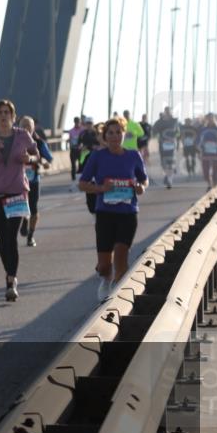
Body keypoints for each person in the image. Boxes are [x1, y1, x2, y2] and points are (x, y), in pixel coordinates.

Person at [0, 100, 39, 301]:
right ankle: (10, 275)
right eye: (0, 113)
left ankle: (11, 280)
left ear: (13, 116)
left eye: (7, 112)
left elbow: (37, 155)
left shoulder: (22, 135)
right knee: (3, 240)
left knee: (11, 237)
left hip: (17, 194)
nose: (3, 116)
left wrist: (29, 159)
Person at [78, 117, 148, 301]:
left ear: (124, 134)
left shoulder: (134, 156)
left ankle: (117, 297)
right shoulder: (97, 157)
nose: (115, 136)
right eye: (111, 133)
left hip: (127, 213)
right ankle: (106, 280)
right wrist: (101, 189)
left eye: (119, 132)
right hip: (105, 214)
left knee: (121, 255)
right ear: (104, 136)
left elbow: (143, 180)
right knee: (103, 265)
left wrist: (141, 187)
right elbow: (83, 184)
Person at [18, 116, 53, 247]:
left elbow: (48, 159)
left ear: (33, 128)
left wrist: (43, 162)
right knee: (19, 206)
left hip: (33, 180)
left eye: (29, 126)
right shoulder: (14, 141)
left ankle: (30, 235)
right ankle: (24, 220)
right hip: (17, 182)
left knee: (33, 209)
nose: (26, 129)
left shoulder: (39, 143)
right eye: (23, 126)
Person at [78, 117, 103, 212]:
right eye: (87, 123)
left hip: (97, 160)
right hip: (85, 159)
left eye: (90, 123)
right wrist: (81, 147)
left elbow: (100, 144)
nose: (89, 125)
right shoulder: (82, 133)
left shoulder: (97, 133)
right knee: (88, 188)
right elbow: (79, 144)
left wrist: (95, 147)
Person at [153, 107, 180, 189]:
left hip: (172, 144)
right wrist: (159, 136)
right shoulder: (159, 122)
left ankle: (169, 180)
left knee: (171, 162)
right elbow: (154, 132)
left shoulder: (175, 121)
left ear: (171, 112)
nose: (168, 113)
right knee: (164, 163)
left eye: (169, 112)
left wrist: (174, 137)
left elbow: (178, 133)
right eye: (166, 112)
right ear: (164, 112)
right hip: (162, 145)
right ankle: (167, 175)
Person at [197, 113, 217, 188]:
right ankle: (209, 183)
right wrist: (199, 151)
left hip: (216, 152)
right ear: (206, 120)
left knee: (215, 171)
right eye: (208, 118)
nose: (210, 120)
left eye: (212, 118)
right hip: (205, 152)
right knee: (205, 171)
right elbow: (198, 141)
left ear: (214, 119)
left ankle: (214, 185)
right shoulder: (202, 129)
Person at [67, 116, 85, 182]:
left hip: (81, 150)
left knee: (81, 164)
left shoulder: (83, 130)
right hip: (73, 150)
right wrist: (69, 142)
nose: (77, 123)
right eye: (76, 122)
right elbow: (70, 139)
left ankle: (81, 179)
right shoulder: (71, 131)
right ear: (74, 122)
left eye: (78, 122)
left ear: (80, 122)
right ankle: (73, 180)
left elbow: (85, 139)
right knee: (73, 166)